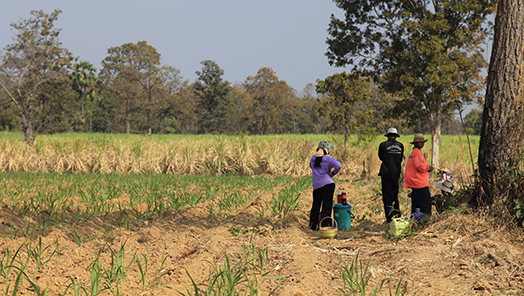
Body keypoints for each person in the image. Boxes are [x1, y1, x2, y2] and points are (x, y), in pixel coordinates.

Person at [309, 140, 341, 230]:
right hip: (328, 184)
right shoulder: (328, 158)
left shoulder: (313, 158)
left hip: (316, 186)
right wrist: (333, 173)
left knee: (316, 206)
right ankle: (325, 226)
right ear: (326, 150)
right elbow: (338, 165)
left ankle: (312, 226)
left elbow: (311, 166)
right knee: (326, 206)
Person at [404, 133, 434, 221]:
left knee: (416, 204)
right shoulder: (417, 153)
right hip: (420, 183)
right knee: (425, 203)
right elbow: (419, 166)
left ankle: (415, 221)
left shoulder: (413, 153)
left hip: (414, 182)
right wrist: (428, 168)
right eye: (420, 142)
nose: (422, 144)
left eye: (423, 142)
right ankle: (425, 220)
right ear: (415, 143)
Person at [378, 127, 404, 224]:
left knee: (387, 196)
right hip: (396, 173)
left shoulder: (383, 145)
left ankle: (389, 218)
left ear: (388, 136)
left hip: (386, 173)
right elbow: (401, 158)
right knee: (395, 195)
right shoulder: (400, 146)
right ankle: (397, 215)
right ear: (396, 136)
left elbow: (381, 157)